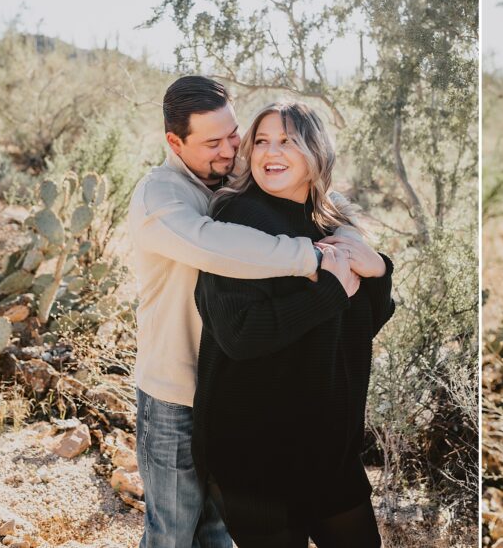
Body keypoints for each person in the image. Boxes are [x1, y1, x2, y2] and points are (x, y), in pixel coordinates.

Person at [127, 76, 370, 547]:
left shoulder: (234, 176)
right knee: (173, 533)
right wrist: (317, 258)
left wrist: (361, 249)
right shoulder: (161, 197)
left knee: (219, 533)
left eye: (235, 134)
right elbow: (214, 245)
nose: (230, 150)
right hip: (175, 393)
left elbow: (323, 199)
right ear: (175, 142)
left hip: (228, 399)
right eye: (213, 142)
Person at [192, 101, 394, 548]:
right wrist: (328, 292)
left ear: (316, 150)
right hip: (257, 456)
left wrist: (380, 271)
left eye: (287, 140)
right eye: (261, 141)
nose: (270, 152)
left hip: (329, 455)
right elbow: (238, 335)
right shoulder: (239, 219)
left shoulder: (330, 221)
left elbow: (358, 327)